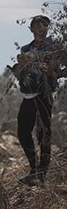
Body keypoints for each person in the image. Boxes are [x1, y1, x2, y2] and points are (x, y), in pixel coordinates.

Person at [11, 15, 64, 186]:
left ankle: (42, 175)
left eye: (45, 25)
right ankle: (33, 169)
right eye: (38, 25)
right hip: (28, 95)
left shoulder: (54, 47)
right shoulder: (25, 49)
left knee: (43, 135)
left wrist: (52, 72)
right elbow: (23, 73)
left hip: (43, 96)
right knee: (23, 133)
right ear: (31, 29)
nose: (42, 28)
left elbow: (60, 70)